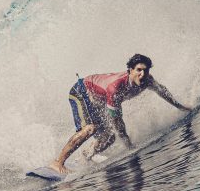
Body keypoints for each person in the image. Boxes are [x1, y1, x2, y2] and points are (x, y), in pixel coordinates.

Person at [50, 54, 192, 175]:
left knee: (110, 137)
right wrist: (128, 145)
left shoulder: (147, 80)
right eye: (138, 70)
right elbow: (117, 120)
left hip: (98, 100)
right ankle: (58, 163)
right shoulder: (116, 88)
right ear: (130, 70)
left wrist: (180, 106)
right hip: (81, 91)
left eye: (145, 70)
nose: (142, 74)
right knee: (89, 129)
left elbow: (162, 91)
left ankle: (87, 155)